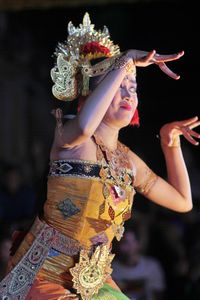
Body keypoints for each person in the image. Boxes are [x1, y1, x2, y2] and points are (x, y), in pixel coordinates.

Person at [0, 11, 199, 300]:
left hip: (93, 283)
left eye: (133, 87)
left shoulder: (128, 161)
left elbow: (182, 202)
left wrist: (171, 144)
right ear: (94, 95)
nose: (129, 94)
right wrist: (126, 59)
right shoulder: (71, 138)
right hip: (43, 276)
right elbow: (85, 123)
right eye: (119, 86)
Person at [112, 228, 166, 300]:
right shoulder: (111, 269)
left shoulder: (152, 266)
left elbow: (158, 293)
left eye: (133, 242)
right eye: (125, 242)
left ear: (138, 244)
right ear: (118, 245)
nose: (130, 247)